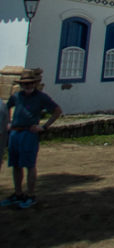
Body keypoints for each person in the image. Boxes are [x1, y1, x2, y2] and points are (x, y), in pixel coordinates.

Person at [1, 69, 62, 209]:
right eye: (24, 84)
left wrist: (44, 127)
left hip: (29, 134)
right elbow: (6, 108)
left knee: (29, 165)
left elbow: (57, 111)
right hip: (15, 133)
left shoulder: (41, 97)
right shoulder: (16, 97)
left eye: (30, 83)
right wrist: (8, 123)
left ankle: (30, 195)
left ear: (35, 83)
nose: (27, 86)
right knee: (16, 165)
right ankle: (18, 193)